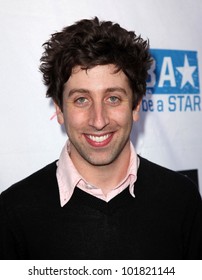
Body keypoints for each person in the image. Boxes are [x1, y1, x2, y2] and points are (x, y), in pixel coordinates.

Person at [0, 17, 202, 260]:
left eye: (113, 98)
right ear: (60, 111)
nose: (98, 120)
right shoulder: (13, 211)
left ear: (136, 106)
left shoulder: (181, 199)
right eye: (81, 100)